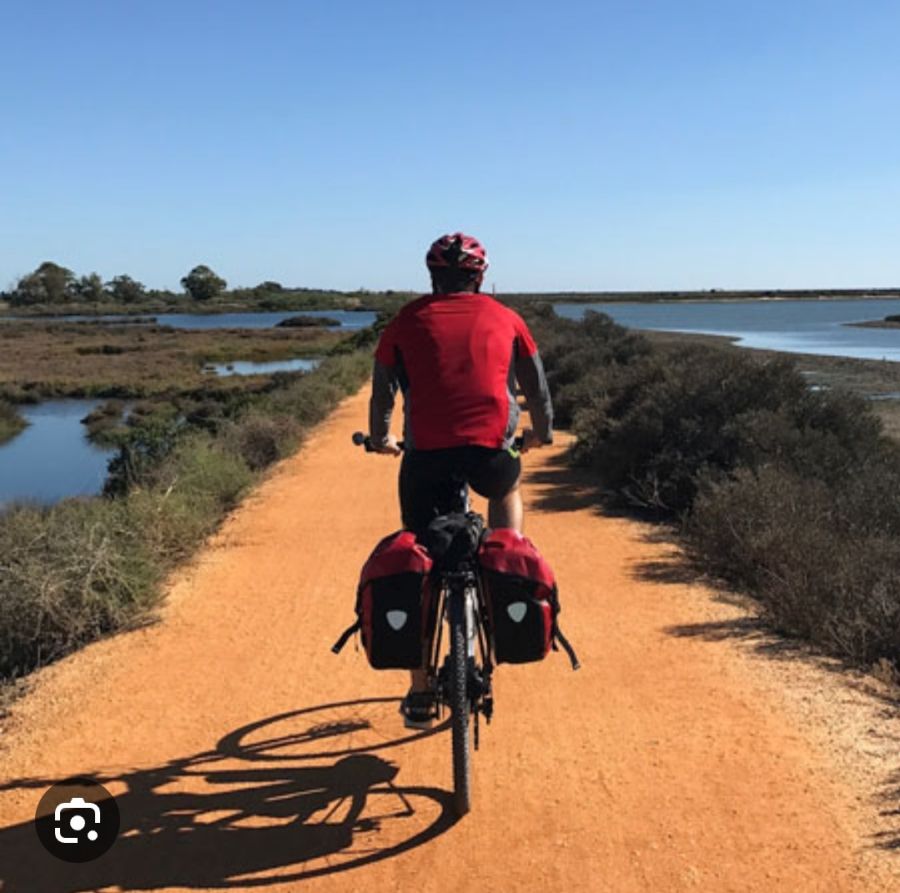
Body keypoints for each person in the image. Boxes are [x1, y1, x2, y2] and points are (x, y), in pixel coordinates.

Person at [368, 232, 554, 727]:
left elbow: (383, 389)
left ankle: (421, 691)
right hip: (494, 450)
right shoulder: (507, 318)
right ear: (481, 277)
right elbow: (535, 385)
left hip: (426, 455)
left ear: (432, 277)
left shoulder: (406, 320)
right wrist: (544, 433)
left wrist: (380, 437)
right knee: (507, 486)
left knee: (418, 556)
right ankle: (505, 554)